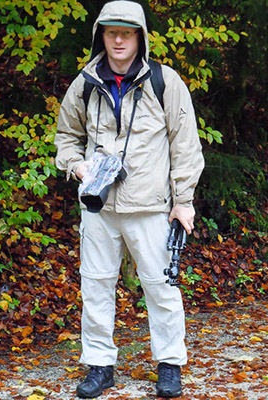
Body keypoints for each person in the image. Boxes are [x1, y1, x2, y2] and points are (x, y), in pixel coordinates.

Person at [54, 1, 204, 398]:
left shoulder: (164, 82)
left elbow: (185, 145)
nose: (118, 40)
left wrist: (183, 201)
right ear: (100, 35)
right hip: (98, 208)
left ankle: (170, 365)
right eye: (111, 32)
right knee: (96, 287)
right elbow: (66, 137)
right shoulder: (84, 83)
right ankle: (100, 366)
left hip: (151, 207)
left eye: (127, 32)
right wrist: (77, 166)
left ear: (140, 36)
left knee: (161, 287)